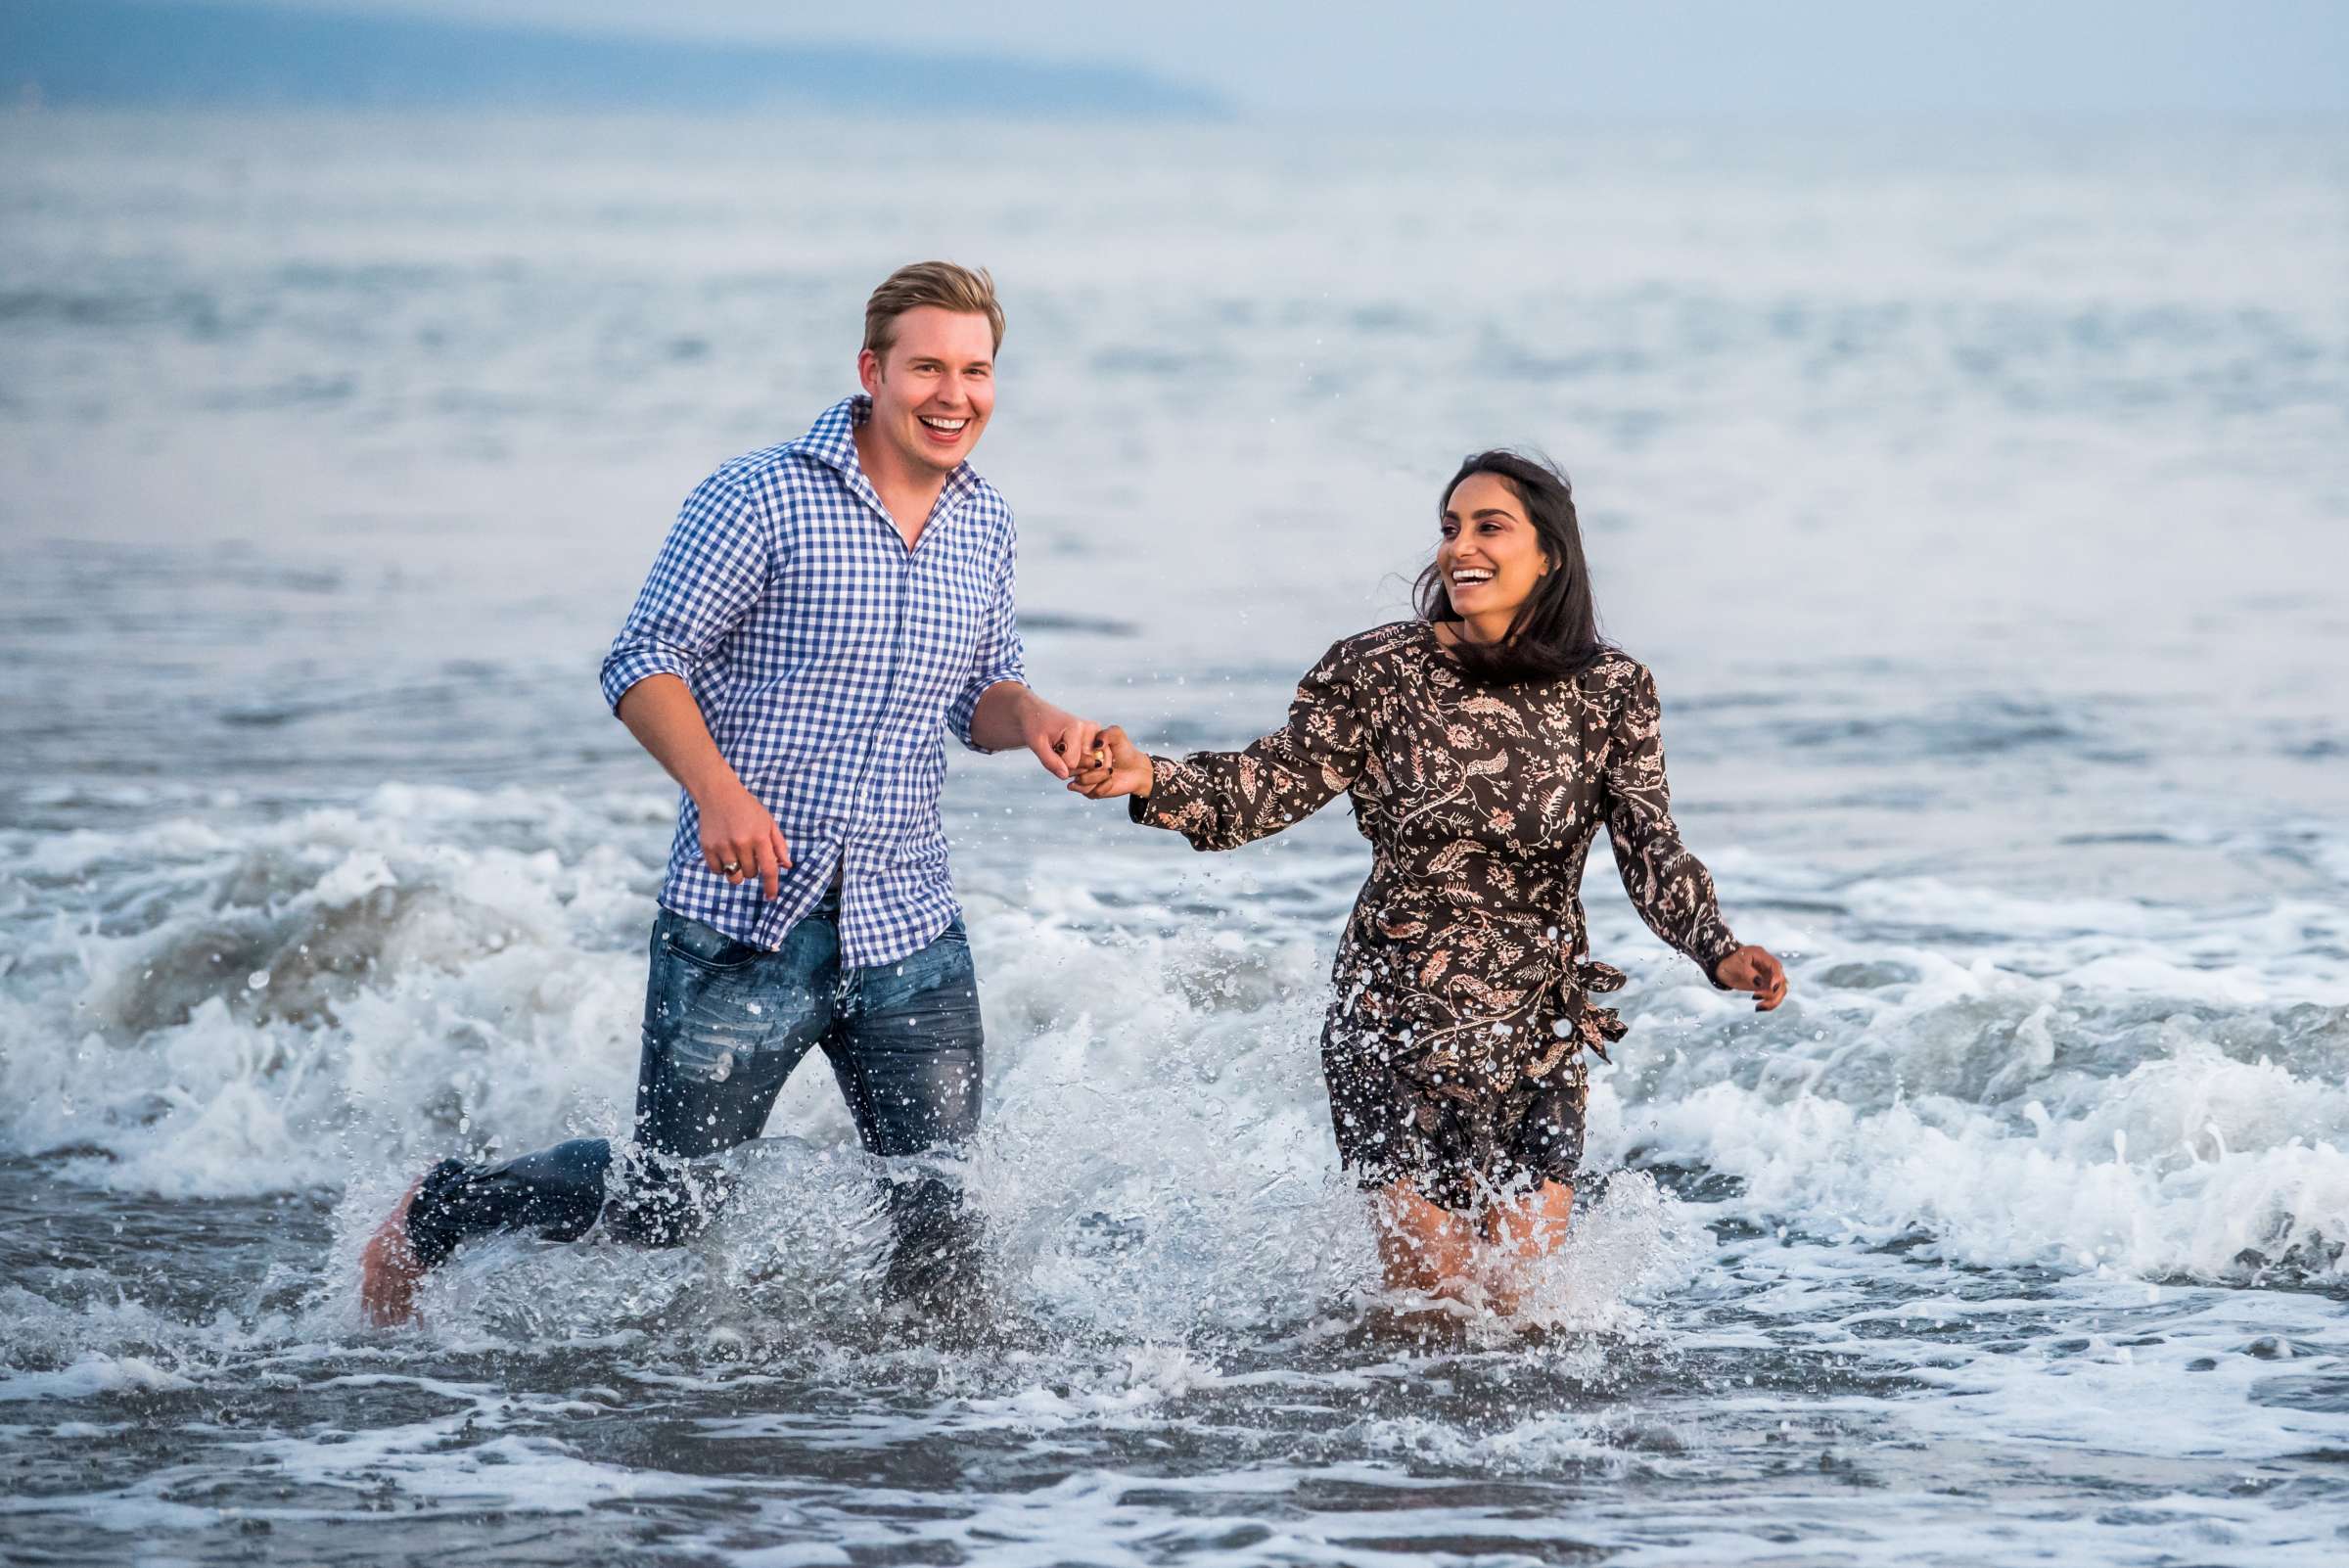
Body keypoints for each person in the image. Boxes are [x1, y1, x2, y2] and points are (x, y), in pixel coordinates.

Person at [359, 261, 1101, 1327]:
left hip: (910, 925)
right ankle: (441, 1209)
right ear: (871, 371)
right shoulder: (757, 495)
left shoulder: (984, 521)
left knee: (940, 1222)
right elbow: (643, 658)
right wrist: (718, 792)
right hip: (748, 923)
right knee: (664, 1206)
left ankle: (922, 1456)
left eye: (977, 371)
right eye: (927, 366)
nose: (955, 395)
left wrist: (1035, 721)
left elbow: (980, 689)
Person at [1071, 450, 1787, 1313]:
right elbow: (1265, 788)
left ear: (1549, 554)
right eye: (1450, 528)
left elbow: (1648, 841)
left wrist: (1717, 948)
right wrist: (1149, 777)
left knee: (1524, 1316)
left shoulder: (1612, 691)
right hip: (1398, 1018)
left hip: (1536, 1026)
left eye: (1490, 526)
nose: (1460, 547)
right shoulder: (1378, 673)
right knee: (1434, 1314)